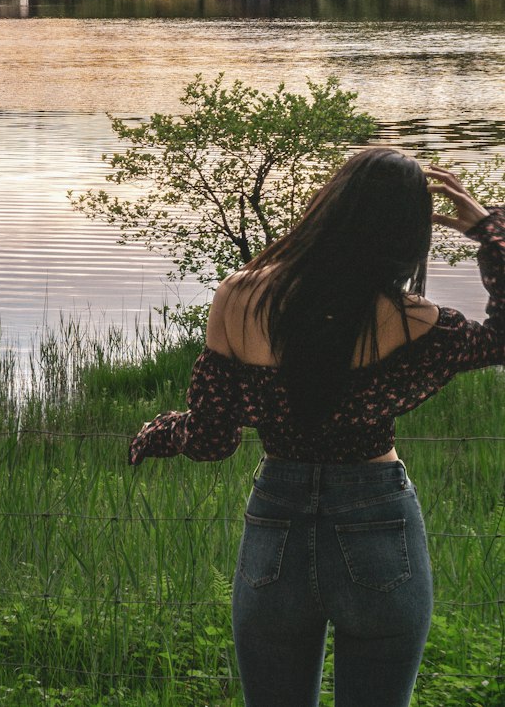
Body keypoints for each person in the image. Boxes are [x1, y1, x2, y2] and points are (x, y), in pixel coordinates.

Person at [129, 148, 504, 707]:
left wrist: (163, 431)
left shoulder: (239, 295)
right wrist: (490, 230)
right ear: (407, 235)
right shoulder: (418, 321)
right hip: (378, 517)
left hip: (275, 521)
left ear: (327, 208)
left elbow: (211, 439)